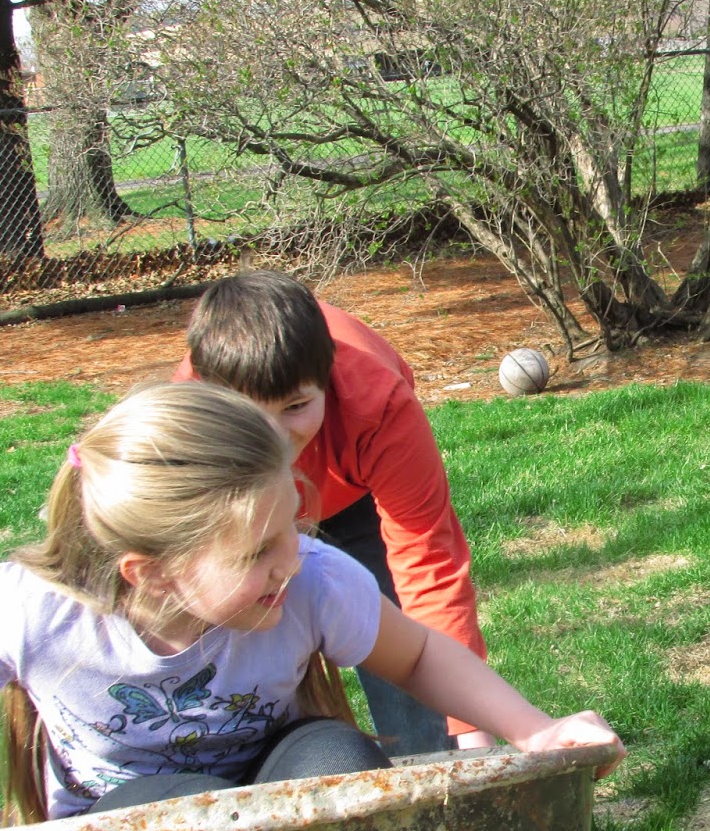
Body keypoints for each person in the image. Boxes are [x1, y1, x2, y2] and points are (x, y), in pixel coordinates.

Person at [0, 381, 623, 831]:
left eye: (292, 526)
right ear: (151, 573)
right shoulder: (40, 613)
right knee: (183, 814)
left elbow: (420, 654)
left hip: (278, 778)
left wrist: (535, 729)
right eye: (257, 551)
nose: (291, 560)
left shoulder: (309, 580)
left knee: (343, 767)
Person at [178, 270, 491, 758]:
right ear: (209, 394)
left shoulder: (380, 405)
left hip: (354, 495)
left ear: (327, 381)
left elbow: (428, 562)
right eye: (252, 413)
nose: (276, 438)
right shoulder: (189, 419)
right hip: (243, 497)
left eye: (295, 406)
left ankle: (430, 765)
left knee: (397, 630)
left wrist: (474, 736)